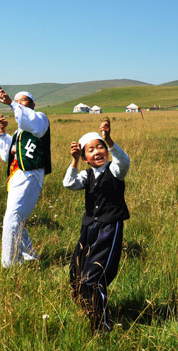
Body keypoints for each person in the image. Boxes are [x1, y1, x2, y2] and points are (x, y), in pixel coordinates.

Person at [63, 118, 130, 333]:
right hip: (89, 229)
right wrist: (73, 162)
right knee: (76, 275)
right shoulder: (86, 174)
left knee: (94, 277)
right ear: (85, 157)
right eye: (91, 150)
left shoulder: (115, 170)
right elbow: (69, 183)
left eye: (100, 146)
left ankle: (102, 327)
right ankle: (89, 309)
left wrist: (110, 139)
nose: (98, 151)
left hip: (109, 228)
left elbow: (124, 160)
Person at [0, 87, 51, 267]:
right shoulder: (20, 131)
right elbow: (8, 155)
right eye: (17, 101)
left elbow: (32, 122)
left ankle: (10, 263)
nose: (19, 103)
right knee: (16, 217)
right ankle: (29, 254)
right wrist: (3, 133)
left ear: (33, 104)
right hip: (16, 175)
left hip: (30, 174)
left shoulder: (40, 119)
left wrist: (12, 103)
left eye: (23, 100)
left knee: (12, 217)